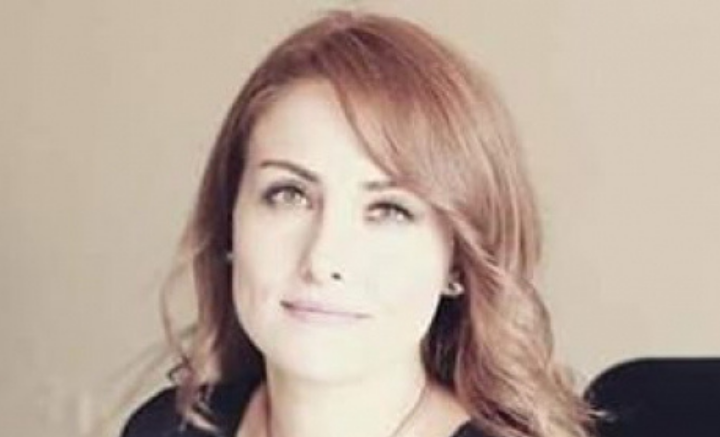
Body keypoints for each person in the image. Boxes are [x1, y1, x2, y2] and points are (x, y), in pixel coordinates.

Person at [121, 10, 592, 437]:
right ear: (230, 221)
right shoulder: (167, 427)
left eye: (389, 210)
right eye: (289, 195)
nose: (324, 259)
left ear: (457, 263)